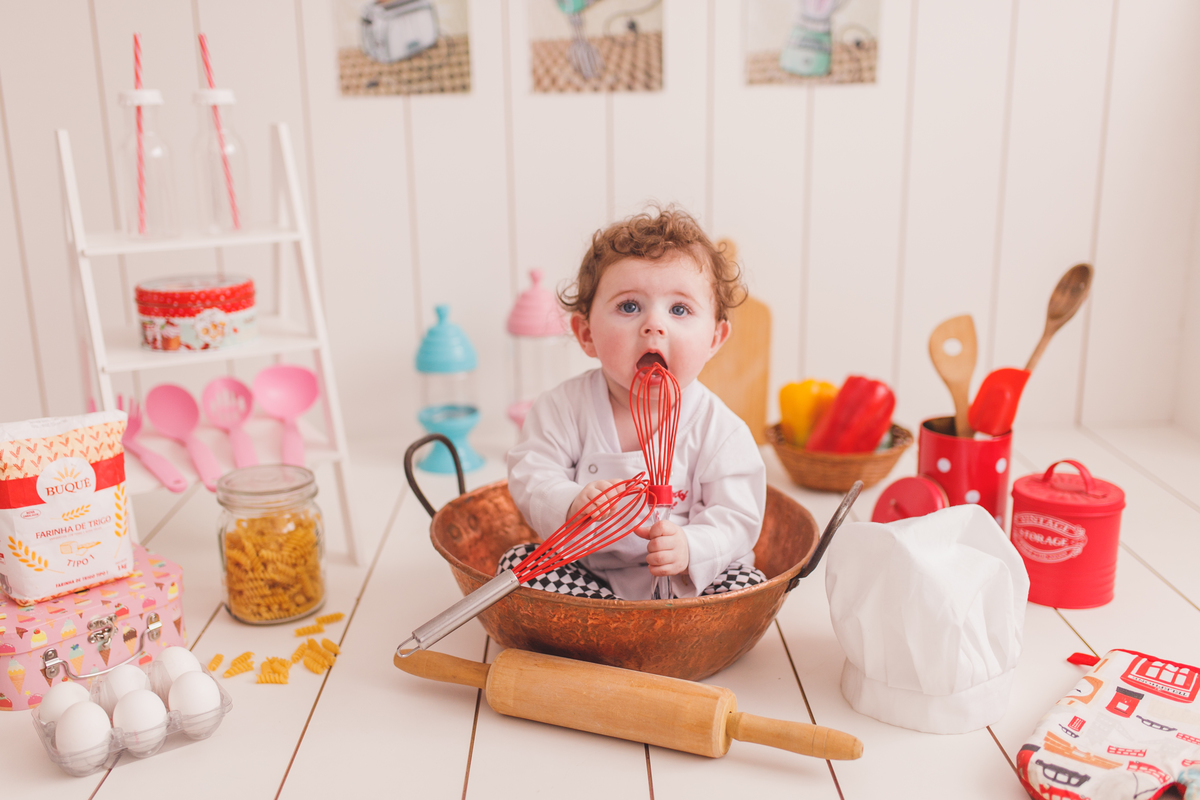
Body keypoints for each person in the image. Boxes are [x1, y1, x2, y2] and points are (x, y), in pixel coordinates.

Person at [504, 206, 767, 600]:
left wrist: (691, 546)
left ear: (715, 338)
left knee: (749, 585)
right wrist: (570, 499)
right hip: (591, 572)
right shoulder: (562, 408)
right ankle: (599, 621)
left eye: (679, 309)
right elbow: (531, 474)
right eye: (629, 306)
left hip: (690, 583)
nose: (654, 325)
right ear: (586, 333)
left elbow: (737, 517)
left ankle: (678, 625)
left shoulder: (720, 430)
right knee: (516, 567)